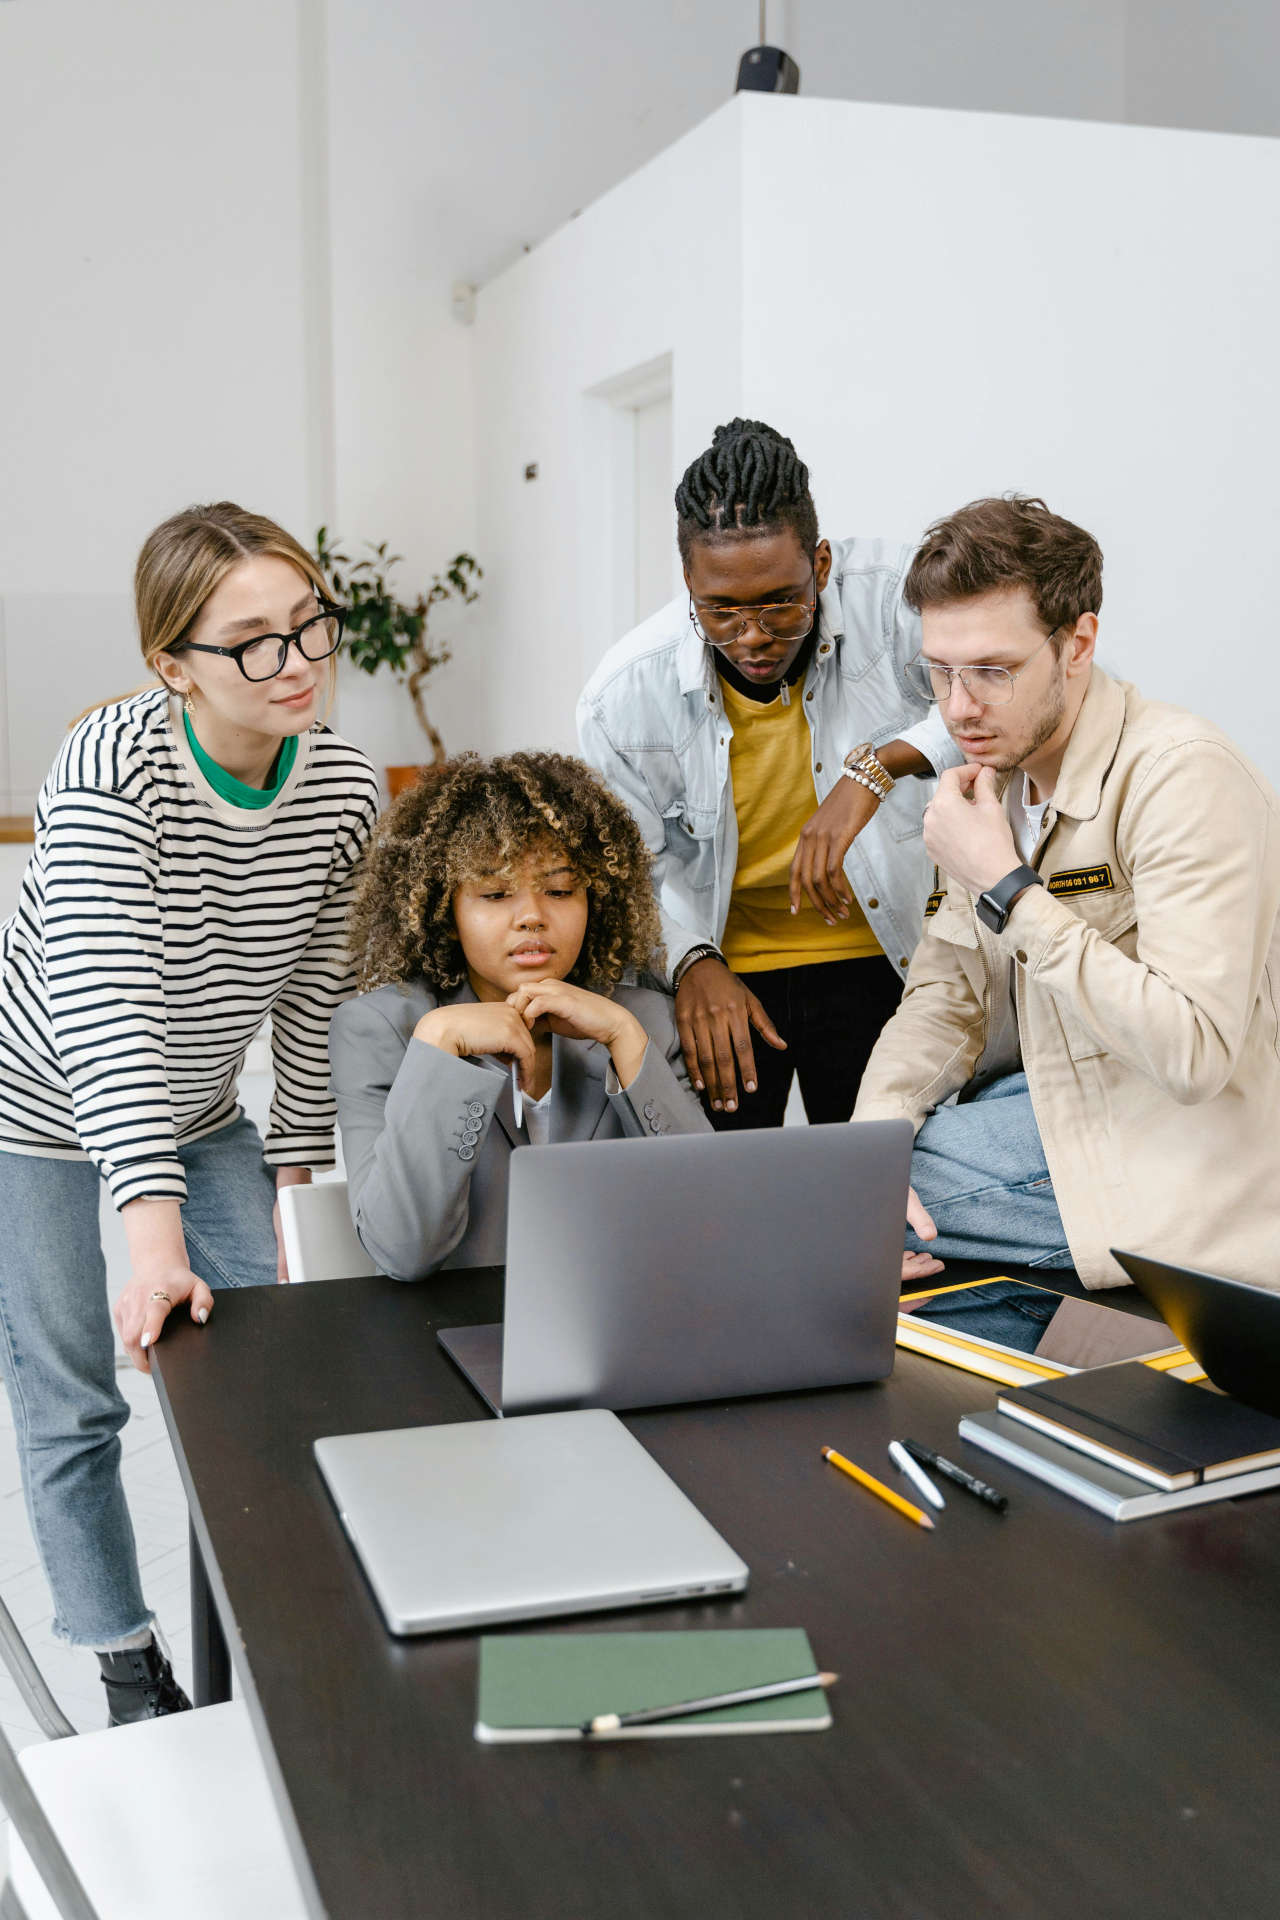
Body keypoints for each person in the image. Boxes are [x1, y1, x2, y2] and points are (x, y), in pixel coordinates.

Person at [0, 503, 379, 1722]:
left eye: (310, 624)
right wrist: (152, 1248)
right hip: (34, 1110)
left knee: (277, 1351)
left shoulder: (343, 786)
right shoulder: (113, 769)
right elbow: (106, 1014)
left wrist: (300, 1194)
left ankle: (282, 1621)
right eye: (253, 641)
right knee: (74, 1393)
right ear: (173, 666)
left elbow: (315, 1012)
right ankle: (124, 1665)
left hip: (207, 1103)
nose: (299, 661)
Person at [853, 494, 1280, 1291]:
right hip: (1044, 1110)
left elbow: (1193, 1054)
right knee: (848, 1195)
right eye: (939, 672)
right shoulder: (990, 782)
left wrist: (1007, 887)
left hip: (1181, 1157)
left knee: (805, 1214)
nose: (957, 707)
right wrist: (872, 1148)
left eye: (992, 671)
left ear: (1078, 642)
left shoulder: (1182, 775)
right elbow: (945, 999)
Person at [578, 417, 962, 1129]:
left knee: (884, 1196)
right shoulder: (623, 697)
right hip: (726, 973)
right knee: (723, 1203)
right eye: (720, 609)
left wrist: (877, 768)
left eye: (779, 602)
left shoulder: (901, 599)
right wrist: (692, 961)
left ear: (820, 565)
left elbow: (1007, 693)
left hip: (890, 953)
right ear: (687, 579)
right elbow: (628, 869)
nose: (752, 636)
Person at [331, 751, 710, 1280]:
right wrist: (439, 1044)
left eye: (559, 890)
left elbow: (709, 1221)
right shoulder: (380, 1030)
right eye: (495, 893)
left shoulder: (644, 1019)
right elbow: (402, 1251)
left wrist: (625, 1039)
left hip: (619, 1333)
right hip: (450, 1338)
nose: (532, 916)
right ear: (447, 908)